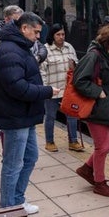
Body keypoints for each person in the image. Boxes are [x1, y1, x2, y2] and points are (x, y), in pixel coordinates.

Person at [0, 12, 58, 214]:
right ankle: (8, 208)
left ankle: (17, 201)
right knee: (13, 163)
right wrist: (46, 91)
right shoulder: (11, 50)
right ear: (24, 28)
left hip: (24, 115)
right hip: (15, 116)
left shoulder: (19, 47)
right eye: (36, 32)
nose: (38, 36)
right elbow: (17, 87)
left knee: (30, 158)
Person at [72, 22, 109, 197]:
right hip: (97, 107)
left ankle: (87, 168)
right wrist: (98, 92)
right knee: (102, 146)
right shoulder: (94, 55)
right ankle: (99, 182)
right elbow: (79, 80)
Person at [39, 23, 81, 152]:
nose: (61, 37)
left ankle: (73, 141)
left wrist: (74, 65)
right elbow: (42, 71)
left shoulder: (69, 47)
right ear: (52, 35)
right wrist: (45, 90)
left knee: (72, 116)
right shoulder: (46, 49)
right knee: (51, 116)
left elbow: (77, 65)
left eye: (63, 34)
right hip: (52, 90)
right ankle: (50, 142)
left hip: (68, 90)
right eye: (58, 34)